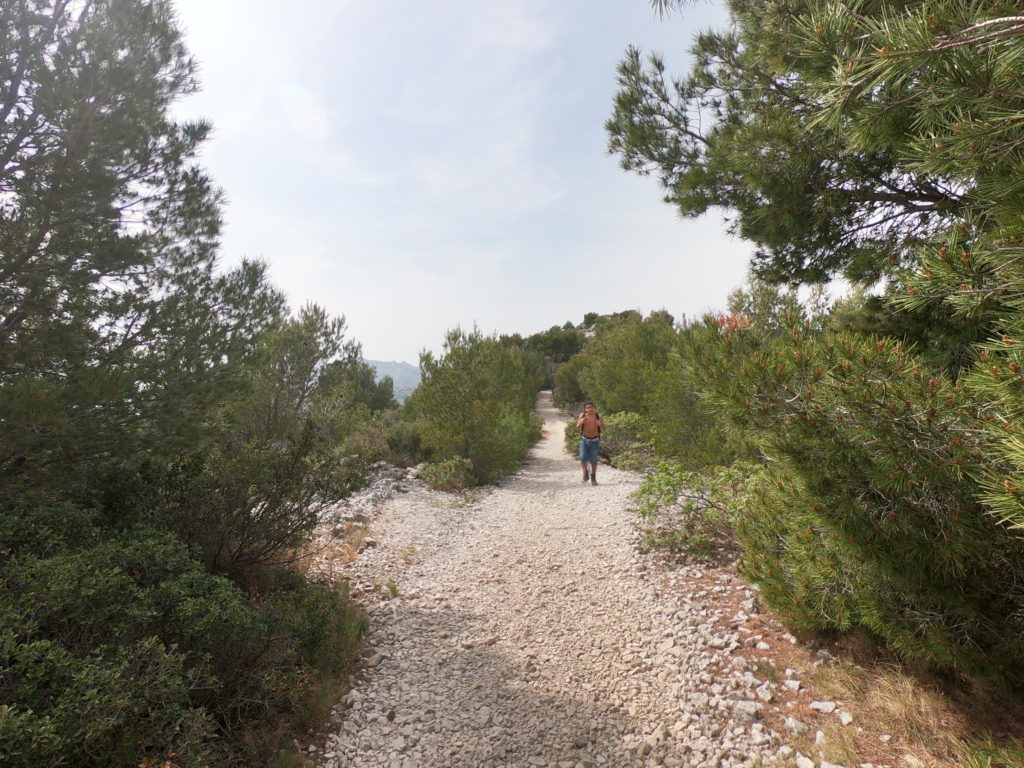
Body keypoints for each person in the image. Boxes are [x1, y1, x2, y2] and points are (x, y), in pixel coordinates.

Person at [576, 401, 604, 485]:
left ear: (594, 408)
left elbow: (603, 429)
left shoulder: (598, 416)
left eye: (591, 407)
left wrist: (600, 425)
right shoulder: (582, 415)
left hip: (595, 440)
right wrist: (581, 422)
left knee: (594, 460)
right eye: (587, 408)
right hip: (584, 439)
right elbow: (577, 427)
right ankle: (585, 472)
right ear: (585, 409)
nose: (589, 409)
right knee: (582, 458)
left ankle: (593, 477)